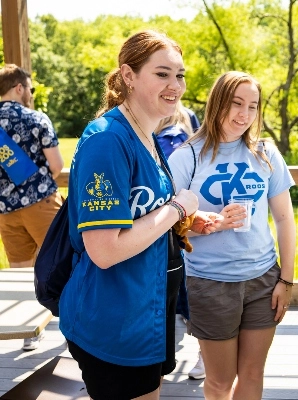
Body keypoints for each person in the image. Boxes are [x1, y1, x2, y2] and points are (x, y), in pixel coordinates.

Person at [58, 30, 221, 400]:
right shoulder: (107, 141)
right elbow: (104, 250)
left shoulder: (146, 134)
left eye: (180, 75)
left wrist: (188, 221)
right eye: (161, 74)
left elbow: (143, 215)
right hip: (115, 321)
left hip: (149, 314)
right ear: (128, 75)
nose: (175, 85)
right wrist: (178, 207)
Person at [168, 71, 296, 400]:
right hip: (209, 283)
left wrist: (286, 280)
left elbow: (284, 219)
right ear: (217, 103)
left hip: (263, 281)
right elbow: (167, 221)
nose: (244, 114)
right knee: (220, 383)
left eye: (253, 106)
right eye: (237, 103)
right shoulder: (186, 156)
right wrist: (201, 221)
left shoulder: (266, 154)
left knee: (252, 374)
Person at [0, 64, 64, 351]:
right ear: (18, 88)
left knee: (21, 270)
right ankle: (74, 328)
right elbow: (57, 166)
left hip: (4, 211)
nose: (30, 93)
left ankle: (29, 334)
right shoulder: (36, 118)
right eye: (29, 88)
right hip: (41, 204)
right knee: (63, 264)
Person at [155, 101, 206, 380]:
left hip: (169, 221)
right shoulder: (187, 123)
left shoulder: (152, 135)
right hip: (185, 219)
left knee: (169, 294)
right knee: (187, 293)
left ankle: (159, 361)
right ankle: (203, 356)